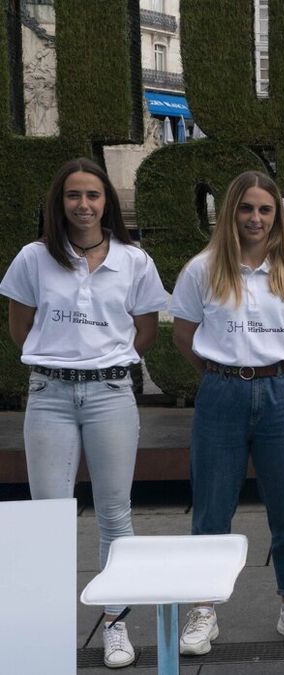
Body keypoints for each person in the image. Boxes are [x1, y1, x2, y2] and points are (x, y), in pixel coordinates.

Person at [0, 158, 167, 669]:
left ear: (106, 202)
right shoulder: (33, 258)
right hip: (49, 394)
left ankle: (116, 625)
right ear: (59, 203)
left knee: (116, 514)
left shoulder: (134, 260)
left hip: (110, 395)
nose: (84, 205)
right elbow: (19, 328)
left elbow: (145, 328)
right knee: (48, 515)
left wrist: (104, 359)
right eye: (74, 196)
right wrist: (61, 358)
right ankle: (46, 630)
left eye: (93, 196)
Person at [170, 171, 284, 654]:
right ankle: (204, 611)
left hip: (280, 393)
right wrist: (226, 372)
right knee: (212, 508)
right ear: (230, 212)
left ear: (276, 215)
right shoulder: (202, 269)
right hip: (221, 395)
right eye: (246, 208)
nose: (255, 218)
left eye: (264, 209)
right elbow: (184, 335)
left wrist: (270, 369)